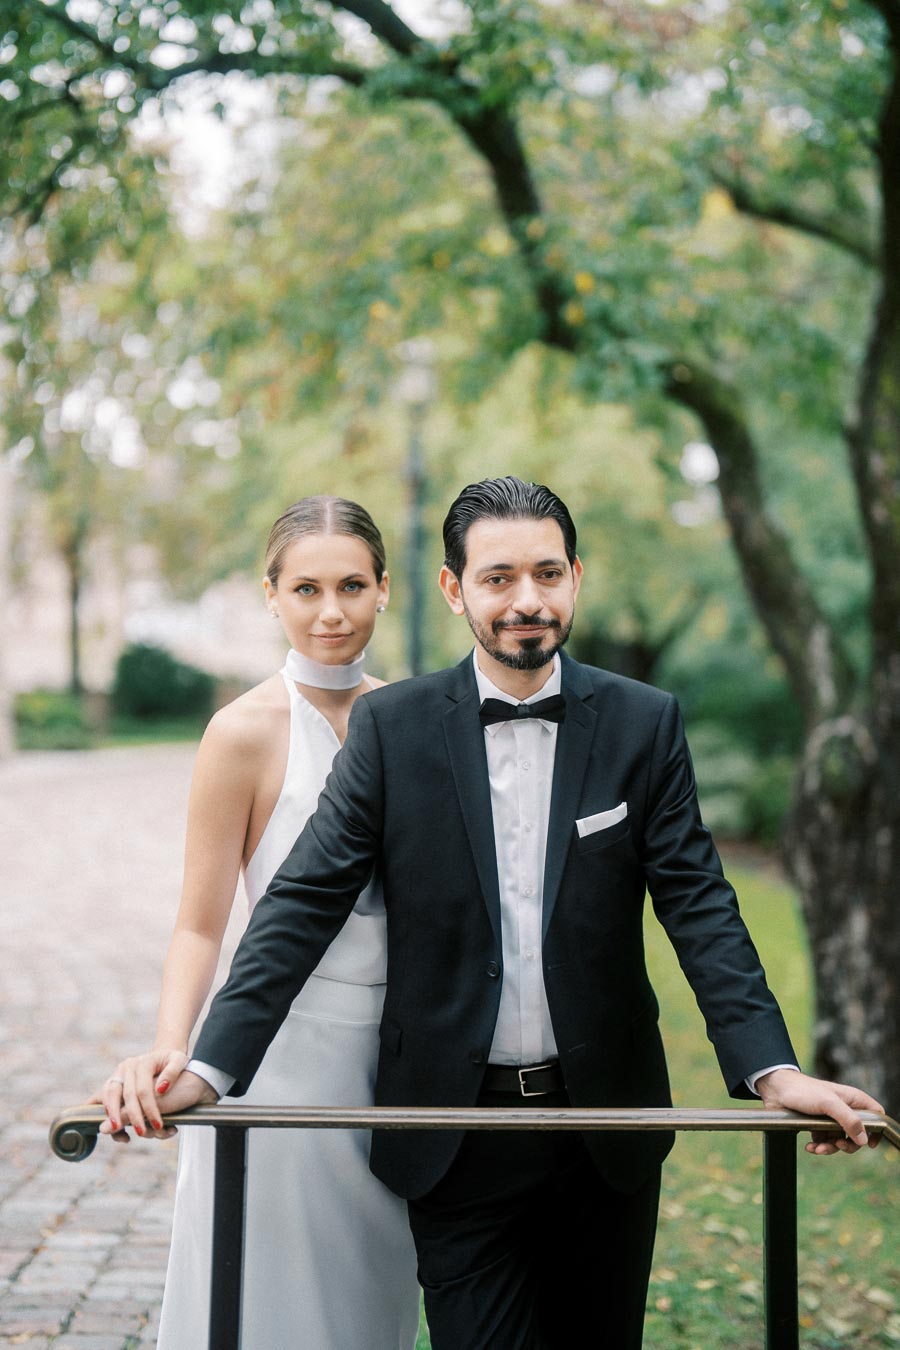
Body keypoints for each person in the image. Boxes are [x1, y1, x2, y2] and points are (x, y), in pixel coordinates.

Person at [133, 476, 884, 1350]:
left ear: (576, 578)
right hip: (456, 1133)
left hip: (606, 1130)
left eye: (547, 573)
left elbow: (700, 904)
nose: (527, 600)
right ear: (455, 590)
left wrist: (772, 1071)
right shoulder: (393, 728)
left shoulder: (643, 723)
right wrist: (208, 1068)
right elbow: (302, 901)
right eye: (498, 578)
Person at [95, 496, 420, 1349]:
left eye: (352, 586)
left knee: (370, 1308)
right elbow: (200, 923)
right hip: (276, 1053)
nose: (331, 611)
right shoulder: (240, 734)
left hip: (396, 1063)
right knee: (263, 1302)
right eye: (306, 589)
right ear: (270, 595)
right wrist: (173, 1046)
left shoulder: (416, 721)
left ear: (385, 589)